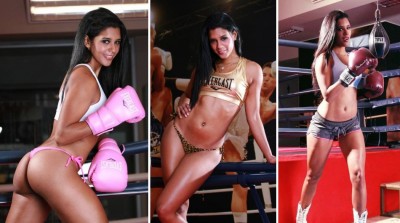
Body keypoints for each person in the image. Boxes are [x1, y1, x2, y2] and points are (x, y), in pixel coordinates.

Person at [6, 8, 142, 222]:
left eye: (117, 43)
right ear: (87, 41)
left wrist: (107, 143)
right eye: (105, 41)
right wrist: (109, 116)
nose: (113, 49)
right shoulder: (84, 76)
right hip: (54, 165)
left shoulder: (81, 75)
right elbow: (63, 134)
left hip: (39, 164)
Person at [155, 12, 276, 223]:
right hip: (177, 133)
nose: (219, 46)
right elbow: (188, 94)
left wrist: (270, 155)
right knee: (178, 206)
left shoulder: (251, 70)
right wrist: (184, 99)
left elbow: (254, 117)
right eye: (213, 41)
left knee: (164, 208)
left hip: (208, 149)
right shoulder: (205, 64)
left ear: (235, 35)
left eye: (223, 38)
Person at [296, 10, 383, 223]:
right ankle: (302, 215)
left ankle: (360, 221)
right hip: (324, 125)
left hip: (351, 124)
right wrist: (351, 73)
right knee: (312, 176)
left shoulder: (355, 55)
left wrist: (369, 85)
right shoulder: (323, 58)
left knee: (359, 175)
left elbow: (353, 92)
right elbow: (327, 94)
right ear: (331, 31)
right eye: (340, 28)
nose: (346, 32)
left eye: (347, 27)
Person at [223, 60, 277, 223]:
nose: (266, 78)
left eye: (270, 75)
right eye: (264, 74)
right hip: (221, 133)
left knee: (241, 184)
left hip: (236, 140)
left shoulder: (273, 108)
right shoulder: (245, 91)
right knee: (240, 182)